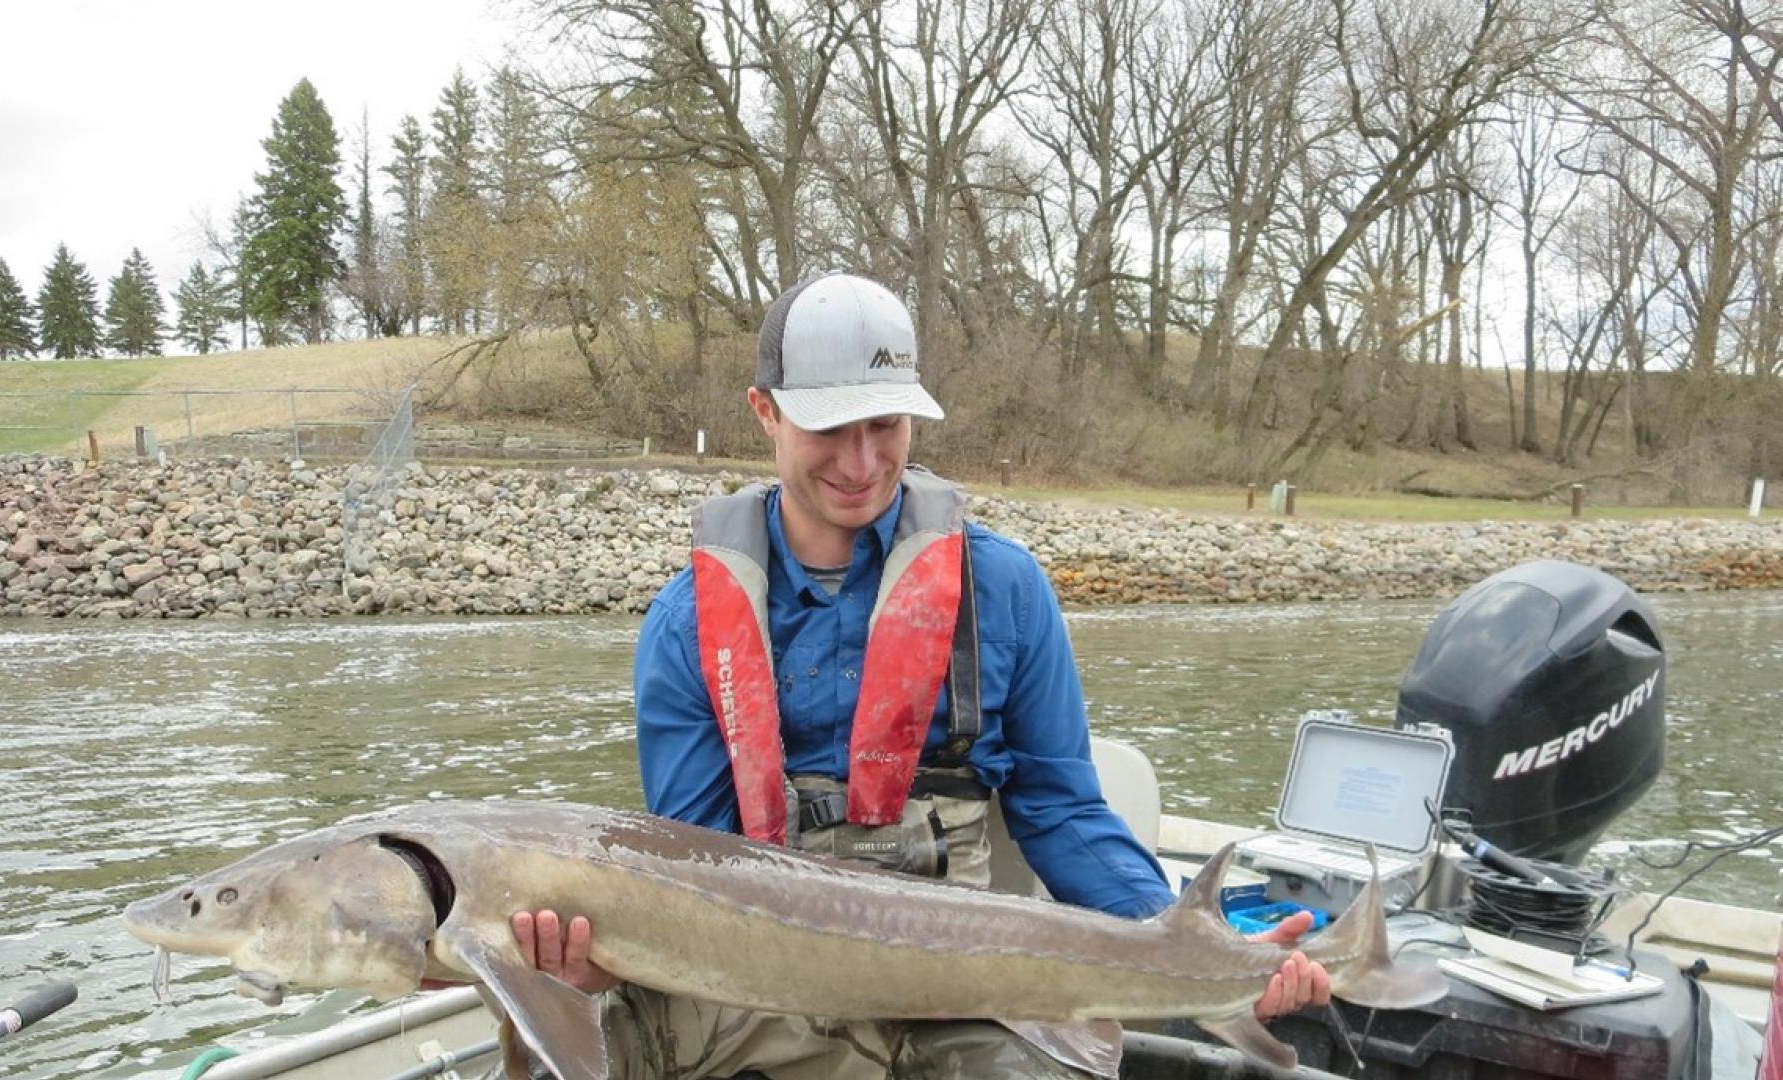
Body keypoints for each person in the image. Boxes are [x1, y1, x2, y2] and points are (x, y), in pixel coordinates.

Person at [513, 271, 1330, 1079]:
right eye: (828, 429)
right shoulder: (685, 624)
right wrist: (600, 959)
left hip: (965, 986)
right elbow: (689, 870)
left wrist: (1185, 943)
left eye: (884, 424)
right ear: (765, 412)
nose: (861, 462)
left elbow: (1062, 806)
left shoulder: (1003, 589)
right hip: (762, 980)